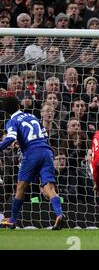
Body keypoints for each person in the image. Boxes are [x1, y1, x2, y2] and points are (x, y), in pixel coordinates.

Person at [0, 96, 64, 230]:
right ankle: (59, 214)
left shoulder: (12, 121)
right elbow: (45, 134)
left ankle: (12, 220)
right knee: (49, 187)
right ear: (19, 106)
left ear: (6, 111)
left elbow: (11, 137)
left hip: (31, 153)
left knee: (21, 187)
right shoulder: (32, 116)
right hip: (46, 151)